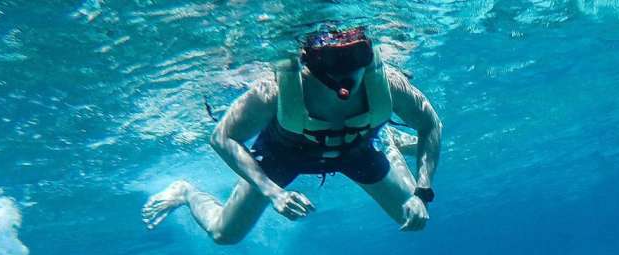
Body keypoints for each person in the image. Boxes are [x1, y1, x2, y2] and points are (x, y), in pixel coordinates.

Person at [142, 26, 441, 243]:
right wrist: (274, 193)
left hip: (357, 149)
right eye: (334, 58)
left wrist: (422, 192)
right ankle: (186, 192)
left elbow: (431, 124)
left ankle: (389, 141)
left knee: (413, 216)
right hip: (284, 154)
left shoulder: (389, 84)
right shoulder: (277, 90)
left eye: (356, 54)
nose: (348, 68)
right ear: (313, 62)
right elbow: (222, 137)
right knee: (224, 234)